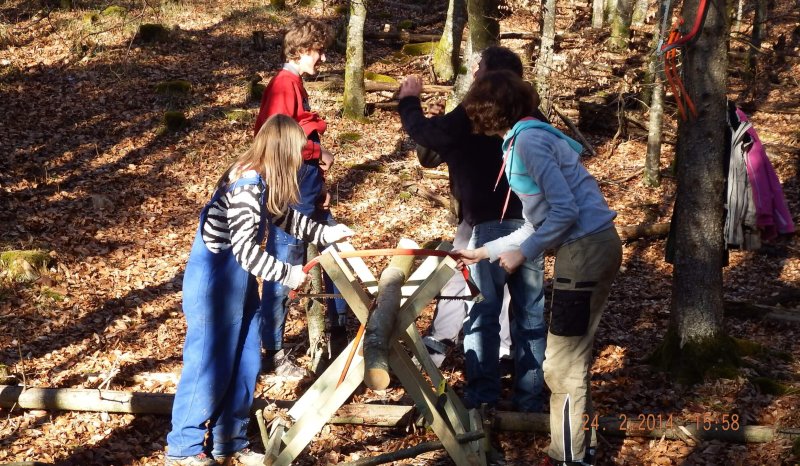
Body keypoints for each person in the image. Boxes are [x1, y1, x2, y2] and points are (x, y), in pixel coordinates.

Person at [165, 115, 354, 466]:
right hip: (214, 282)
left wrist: (325, 235)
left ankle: (229, 440)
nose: (301, 158)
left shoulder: (263, 180)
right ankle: (183, 449)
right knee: (208, 362)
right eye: (298, 151)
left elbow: (281, 215)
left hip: (239, 280)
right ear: (282, 152)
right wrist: (287, 273)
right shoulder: (247, 184)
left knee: (248, 357)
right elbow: (246, 251)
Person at [455, 70, 622, 466]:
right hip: (588, 246)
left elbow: (565, 212)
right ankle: (583, 446)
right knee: (574, 357)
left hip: (585, 250)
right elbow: (536, 221)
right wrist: (485, 250)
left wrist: (524, 252)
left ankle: (569, 457)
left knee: (561, 364)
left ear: (489, 111)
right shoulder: (523, 140)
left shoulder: (529, 141)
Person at [397, 46, 548, 413]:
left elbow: (429, 136)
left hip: (491, 226)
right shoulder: (532, 114)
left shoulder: (476, 111)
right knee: (527, 314)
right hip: (529, 226)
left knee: (484, 311)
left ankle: (483, 397)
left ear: (491, 75)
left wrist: (408, 101)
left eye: (479, 67)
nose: (475, 73)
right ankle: (528, 397)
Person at [254, 18, 348, 373]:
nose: (321, 59)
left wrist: (319, 181)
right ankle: (275, 352)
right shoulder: (283, 84)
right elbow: (277, 141)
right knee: (285, 267)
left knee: (339, 251)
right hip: (290, 194)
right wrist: (314, 153)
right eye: (317, 51)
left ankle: (339, 334)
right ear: (301, 49)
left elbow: (300, 134)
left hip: (307, 189)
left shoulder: (295, 83)